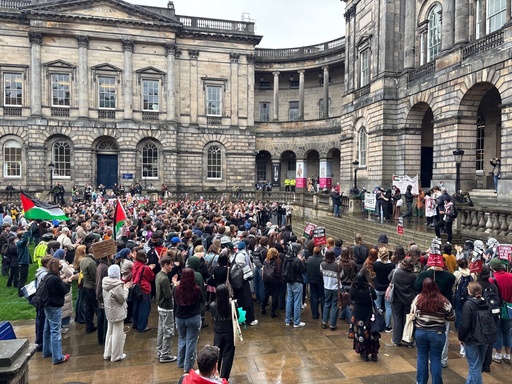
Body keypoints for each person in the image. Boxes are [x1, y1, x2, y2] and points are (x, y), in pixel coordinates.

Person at [414, 277, 456, 384]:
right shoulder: (443, 301)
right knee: (436, 359)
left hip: (420, 332)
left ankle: (421, 382)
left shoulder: (418, 299)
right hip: (437, 334)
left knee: (422, 357)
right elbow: (452, 317)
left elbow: (413, 313)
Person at [458, 281, 497, 384]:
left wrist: (461, 337)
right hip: (485, 336)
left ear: (469, 291)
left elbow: (465, 324)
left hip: (472, 338)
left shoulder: (468, 304)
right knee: (477, 366)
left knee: (474, 367)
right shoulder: (486, 303)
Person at [42, 258, 72, 365]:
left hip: (47, 306)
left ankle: (47, 351)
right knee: (55, 331)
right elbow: (64, 289)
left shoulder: (48, 276)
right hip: (55, 306)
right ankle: (58, 357)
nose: (61, 265)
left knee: (47, 329)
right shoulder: (54, 279)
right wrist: (68, 282)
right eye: (59, 264)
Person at [174, 268, 203, 373]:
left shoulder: (177, 289)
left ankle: (180, 362)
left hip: (180, 317)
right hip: (193, 317)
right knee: (191, 341)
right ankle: (188, 366)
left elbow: (176, 302)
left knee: (182, 338)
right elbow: (201, 300)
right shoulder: (197, 289)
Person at [348, 273, 380, 362]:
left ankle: (364, 353)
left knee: (361, 333)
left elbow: (351, 300)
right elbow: (375, 297)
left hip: (358, 314)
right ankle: (374, 354)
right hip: (369, 313)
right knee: (372, 332)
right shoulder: (370, 288)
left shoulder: (353, 289)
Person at [102, 264, 130, 362]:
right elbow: (122, 299)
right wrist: (126, 288)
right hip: (117, 312)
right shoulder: (117, 285)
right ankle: (116, 355)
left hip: (109, 310)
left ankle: (107, 353)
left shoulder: (105, 282)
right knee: (117, 334)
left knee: (109, 332)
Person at [209, 284, 235, 380]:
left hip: (218, 332)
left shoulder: (213, 305)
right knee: (228, 355)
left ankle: (216, 374)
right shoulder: (231, 304)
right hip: (229, 331)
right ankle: (225, 378)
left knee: (217, 355)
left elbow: (213, 315)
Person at [489, 257, 512, 365]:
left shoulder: (492, 280)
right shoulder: (511, 276)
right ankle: (507, 355)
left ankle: (498, 355)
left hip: (498, 308)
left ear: (492, 267)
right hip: (510, 308)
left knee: (498, 331)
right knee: (507, 332)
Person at [389, 257, 416, 346]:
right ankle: (407, 339)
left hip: (396, 298)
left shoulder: (395, 272)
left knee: (397, 319)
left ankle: (396, 340)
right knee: (407, 319)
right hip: (408, 300)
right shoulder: (413, 276)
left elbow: (389, 278)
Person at [155, 257, 177, 363]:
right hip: (167, 308)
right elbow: (168, 294)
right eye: (170, 265)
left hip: (160, 307)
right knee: (168, 331)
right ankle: (165, 354)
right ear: (165, 265)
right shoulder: (164, 279)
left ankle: (160, 351)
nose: (172, 267)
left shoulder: (159, 275)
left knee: (161, 331)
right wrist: (175, 285)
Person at [131, 250, 155, 332]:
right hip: (144, 289)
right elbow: (151, 277)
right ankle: (142, 326)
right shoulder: (145, 267)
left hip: (135, 288)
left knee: (136, 307)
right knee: (144, 308)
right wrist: (150, 268)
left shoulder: (135, 265)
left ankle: (135, 323)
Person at [284, 242, 306, 327]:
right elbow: (302, 270)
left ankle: (288, 320)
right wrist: (302, 261)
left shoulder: (287, 258)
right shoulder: (296, 260)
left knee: (289, 300)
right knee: (297, 301)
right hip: (297, 281)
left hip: (289, 281)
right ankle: (297, 321)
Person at [373, 247, 395, 332]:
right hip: (387, 289)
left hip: (378, 287)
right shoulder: (392, 266)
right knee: (388, 307)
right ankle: (387, 326)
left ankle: (377, 324)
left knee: (377, 307)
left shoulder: (375, 264)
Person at [320, 249, 340, 330]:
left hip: (326, 287)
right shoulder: (337, 265)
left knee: (327, 304)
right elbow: (341, 275)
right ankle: (332, 324)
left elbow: (321, 273)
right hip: (335, 288)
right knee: (335, 306)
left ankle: (324, 322)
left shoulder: (322, 264)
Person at [261, 247, 281, 318]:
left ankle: (263, 308)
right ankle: (273, 312)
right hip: (274, 280)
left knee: (266, 294)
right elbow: (278, 272)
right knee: (275, 296)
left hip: (266, 280)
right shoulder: (277, 261)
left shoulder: (266, 260)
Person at [306, 245, 324, 320]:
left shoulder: (309, 259)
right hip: (321, 280)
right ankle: (324, 314)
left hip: (312, 280)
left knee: (314, 296)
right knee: (323, 297)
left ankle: (314, 314)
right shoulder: (322, 260)